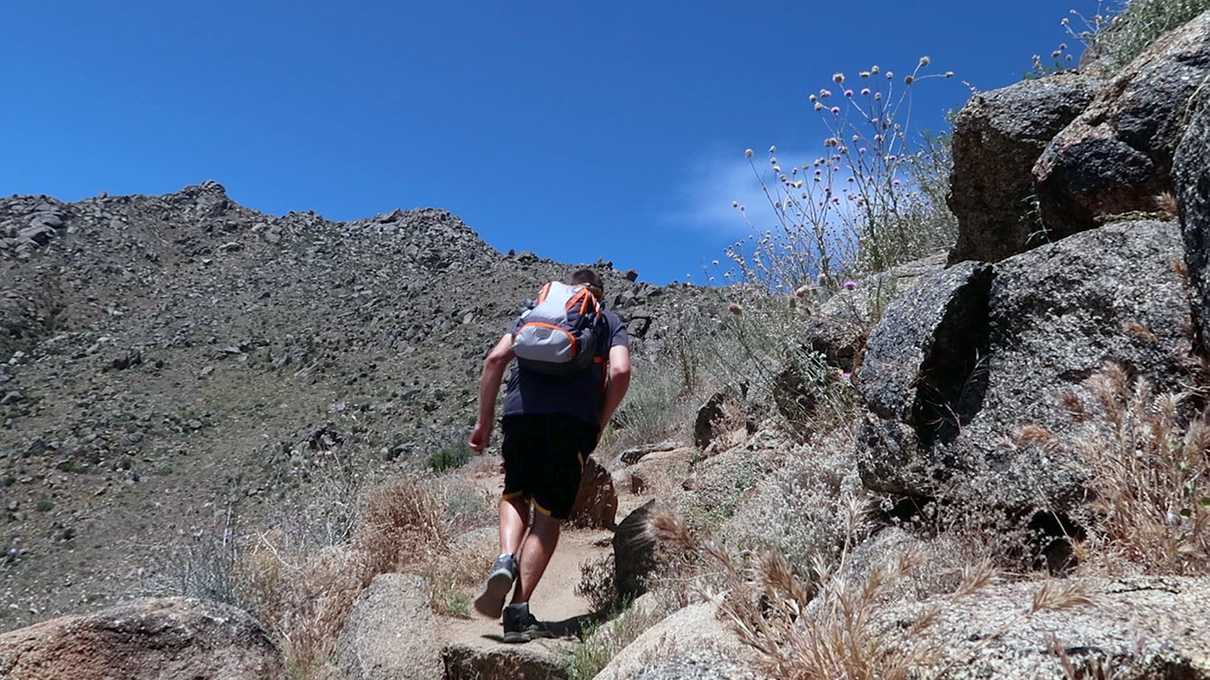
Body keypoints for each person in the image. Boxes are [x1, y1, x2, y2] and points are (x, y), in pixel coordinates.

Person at [467, 268, 632, 643]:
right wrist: (599, 423)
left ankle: (506, 557)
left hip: (519, 416)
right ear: (598, 294)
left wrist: (484, 423)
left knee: (515, 493)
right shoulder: (606, 320)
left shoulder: (533, 313)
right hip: (570, 424)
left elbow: (494, 360)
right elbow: (620, 371)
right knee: (547, 516)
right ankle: (519, 611)